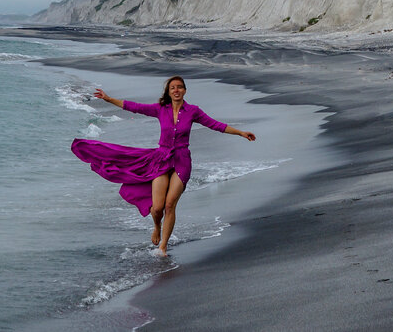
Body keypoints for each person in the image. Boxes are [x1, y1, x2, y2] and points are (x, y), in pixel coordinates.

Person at [71, 75, 256, 256]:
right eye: (173, 87)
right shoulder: (161, 109)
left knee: (169, 205)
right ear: (168, 91)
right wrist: (109, 99)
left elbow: (215, 125)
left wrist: (240, 133)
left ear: (184, 90)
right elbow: (135, 107)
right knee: (157, 208)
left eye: (180, 87)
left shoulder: (193, 111)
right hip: (161, 159)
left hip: (182, 161)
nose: (176, 90)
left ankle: (163, 246)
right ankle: (156, 227)